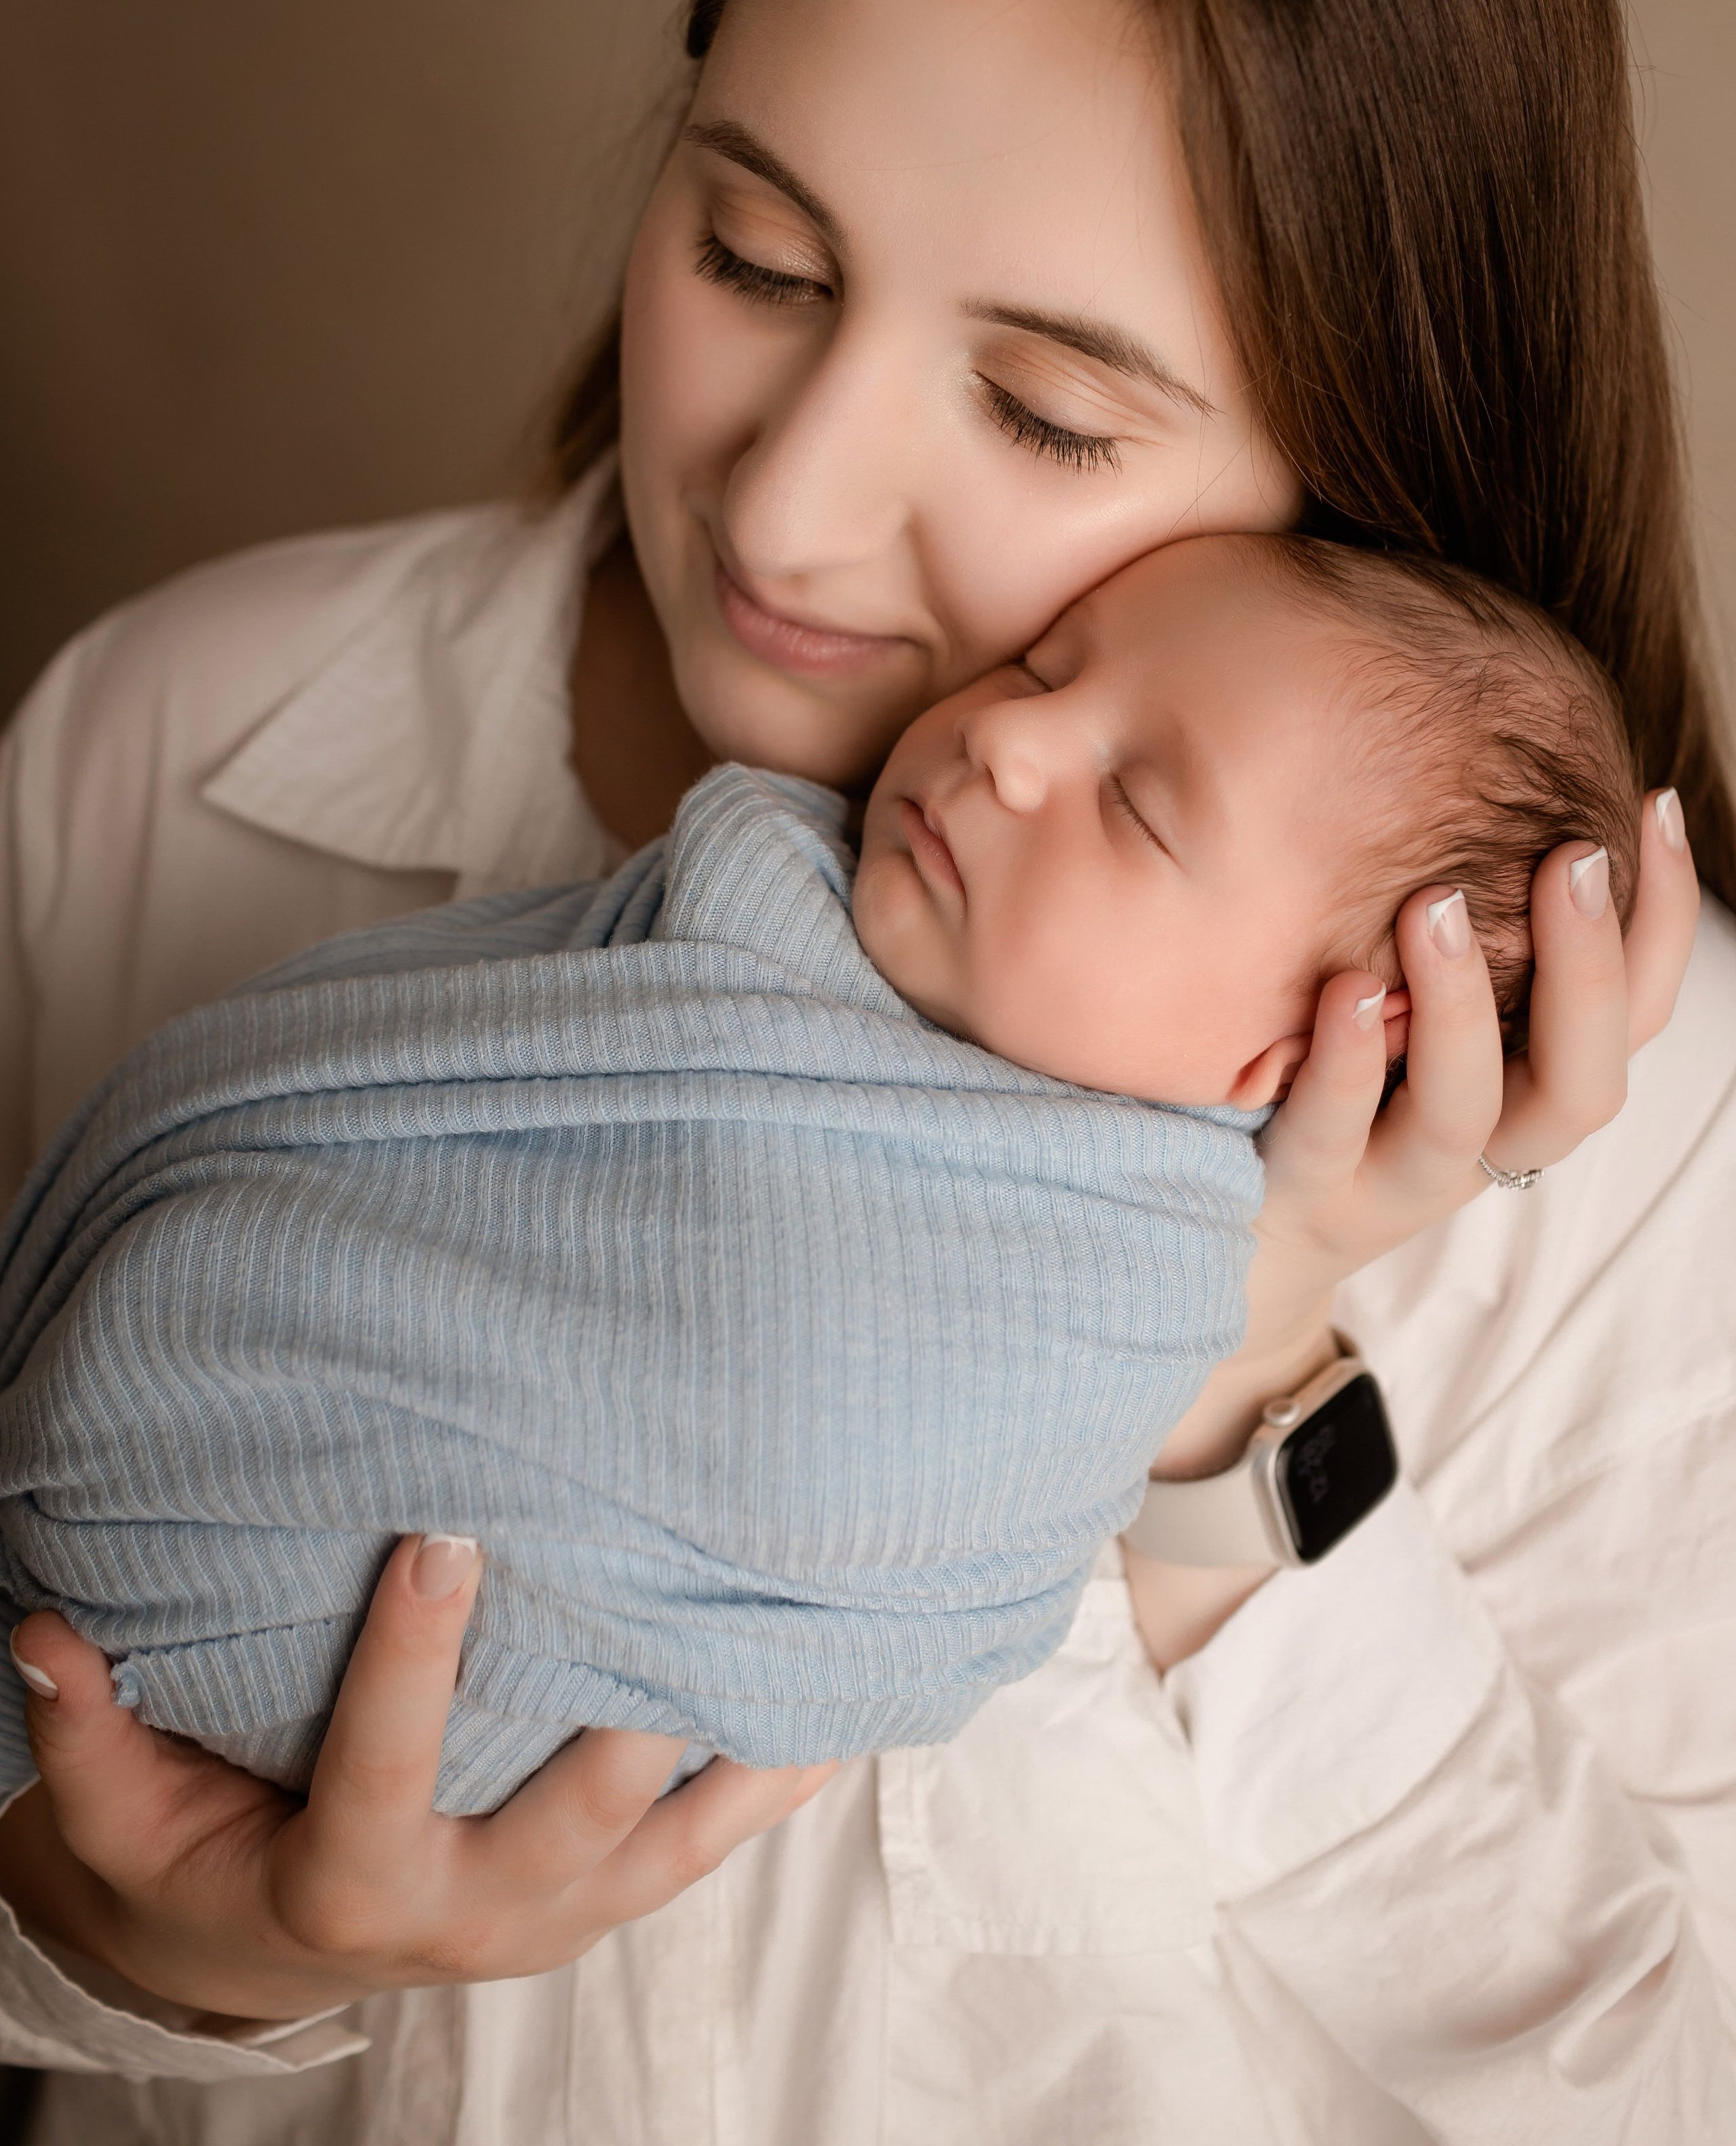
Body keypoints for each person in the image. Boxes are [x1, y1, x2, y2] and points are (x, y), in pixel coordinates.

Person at [0, 0, 1730, 2143]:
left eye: (1044, 413)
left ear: (1366, 452)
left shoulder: (1613, 1126)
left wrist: (1234, 1384)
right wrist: (143, 1949)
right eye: (755, 256)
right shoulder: (173, 754)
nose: (791, 506)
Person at [0, 530, 1640, 1816]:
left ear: (1295, 1051)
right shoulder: (750, 890)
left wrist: (1256, 1328)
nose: (1007, 739)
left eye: (1135, 809)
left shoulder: (1114, 1289)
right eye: (1043, 662)